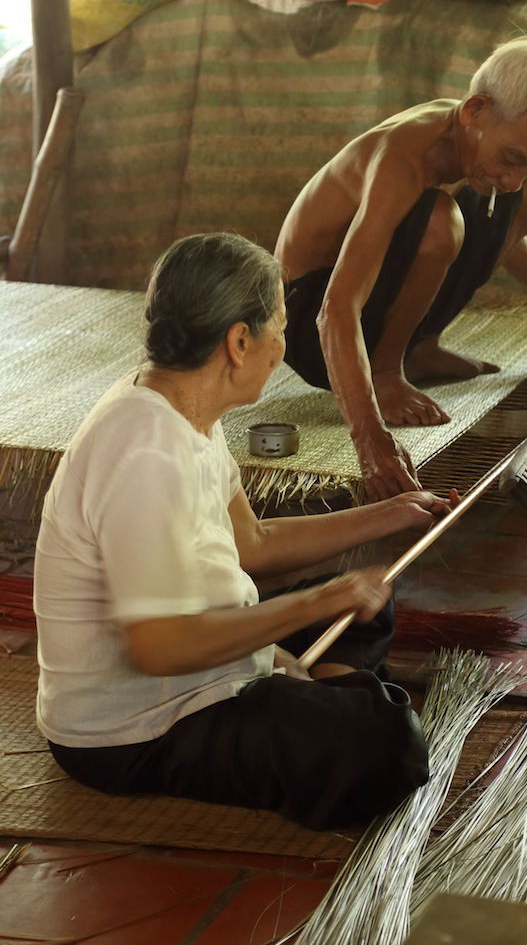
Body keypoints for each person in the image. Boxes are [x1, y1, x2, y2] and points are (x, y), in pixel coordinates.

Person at [34, 232, 448, 831]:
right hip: (135, 728)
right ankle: (325, 693)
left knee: (369, 605)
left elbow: (252, 545)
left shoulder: (185, 405)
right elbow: (161, 649)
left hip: (201, 658)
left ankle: (316, 687)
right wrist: (308, 610)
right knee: (386, 745)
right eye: (279, 327)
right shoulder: (145, 452)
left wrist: (395, 513)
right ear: (239, 340)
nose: (281, 347)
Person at [275, 33, 527, 503]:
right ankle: (389, 370)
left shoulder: (478, 137)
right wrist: (368, 438)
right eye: (512, 159)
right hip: (307, 326)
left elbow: (505, 240)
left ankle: (418, 350)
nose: (513, 177)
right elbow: (335, 307)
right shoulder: (400, 158)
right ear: (476, 111)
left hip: (358, 311)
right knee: (439, 224)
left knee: (520, 203)